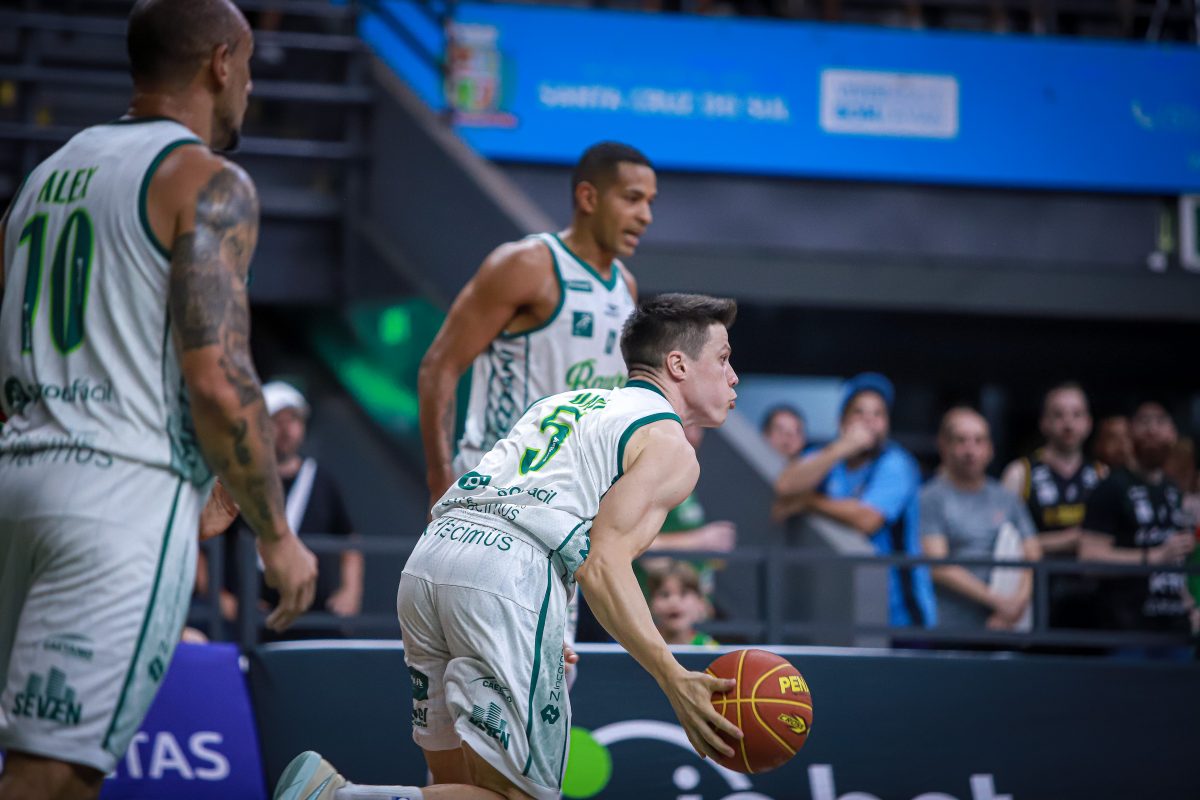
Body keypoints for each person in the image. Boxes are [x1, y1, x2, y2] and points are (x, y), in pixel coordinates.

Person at [0, 2, 317, 798]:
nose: (249, 85)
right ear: (221, 62)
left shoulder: (44, 177)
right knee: (54, 775)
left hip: (18, 482)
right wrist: (277, 534)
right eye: (248, 65)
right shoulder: (207, 181)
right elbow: (219, 376)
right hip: (115, 502)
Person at [274, 294, 743, 800]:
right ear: (678, 364)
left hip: (434, 557)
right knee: (522, 797)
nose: (733, 376)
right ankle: (337, 798)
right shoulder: (670, 444)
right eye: (723, 358)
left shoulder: (562, 402)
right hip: (509, 579)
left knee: (455, 782)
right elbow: (602, 562)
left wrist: (542, 623)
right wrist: (672, 677)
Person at [418, 141, 654, 505]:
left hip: (571, 498)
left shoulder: (626, 285)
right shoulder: (527, 265)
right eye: (632, 199)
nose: (646, 216)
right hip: (496, 490)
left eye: (650, 202)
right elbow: (439, 367)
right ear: (588, 198)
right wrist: (440, 482)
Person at [774, 372, 936, 629]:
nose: (869, 421)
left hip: (901, 612)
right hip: (842, 606)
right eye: (859, 412)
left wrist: (808, 502)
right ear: (842, 421)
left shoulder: (896, 463)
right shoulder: (829, 456)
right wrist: (842, 447)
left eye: (878, 414)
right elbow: (786, 485)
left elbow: (867, 519)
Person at [205, 381, 363, 638]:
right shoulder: (236, 483)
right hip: (251, 620)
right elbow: (204, 542)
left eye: (294, 419)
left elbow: (350, 541)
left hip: (313, 621)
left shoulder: (321, 481)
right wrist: (221, 598)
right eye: (277, 420)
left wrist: (350, 592)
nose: (286, 429)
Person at [1081, 401, 1197, 660]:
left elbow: (1178, 561)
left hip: (1176, 631)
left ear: (1173, 433)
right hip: (1127, 633)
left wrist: (1192, 606)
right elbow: (1089, 558)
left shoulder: (1173, 490)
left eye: (1160, 422)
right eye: (1144, 422)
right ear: (1129, 432)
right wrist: (1153, 557)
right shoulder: (1111, 487)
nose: (1152, 430)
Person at [922, 408, 1041, 635]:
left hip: (1009, 626)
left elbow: (1033, 554)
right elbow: (937, 565)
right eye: (961, 441)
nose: (970, 450)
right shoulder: (930, 498)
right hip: (952, 630)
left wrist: (1017, 603)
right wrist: (998, 602)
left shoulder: (1007, 498)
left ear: (990, 449)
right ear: (944, 447)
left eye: (979, 440)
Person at [1000, 383, 1103, 631]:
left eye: (1076, 414)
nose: (1068, 423)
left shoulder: (1102, 475)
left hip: (1093, 597)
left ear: (1088, 423)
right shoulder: (1020, 473)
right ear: (1044, 423)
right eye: (1058, 415)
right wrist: (1070, 539)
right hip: (1035, 594)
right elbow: (1003, 545)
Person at [647, 561, 720, 647]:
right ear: (651, 603)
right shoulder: (644, 644)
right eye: (665, 595)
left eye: (683, 594)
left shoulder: (710, 648)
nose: (674, 602)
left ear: (700, 603)